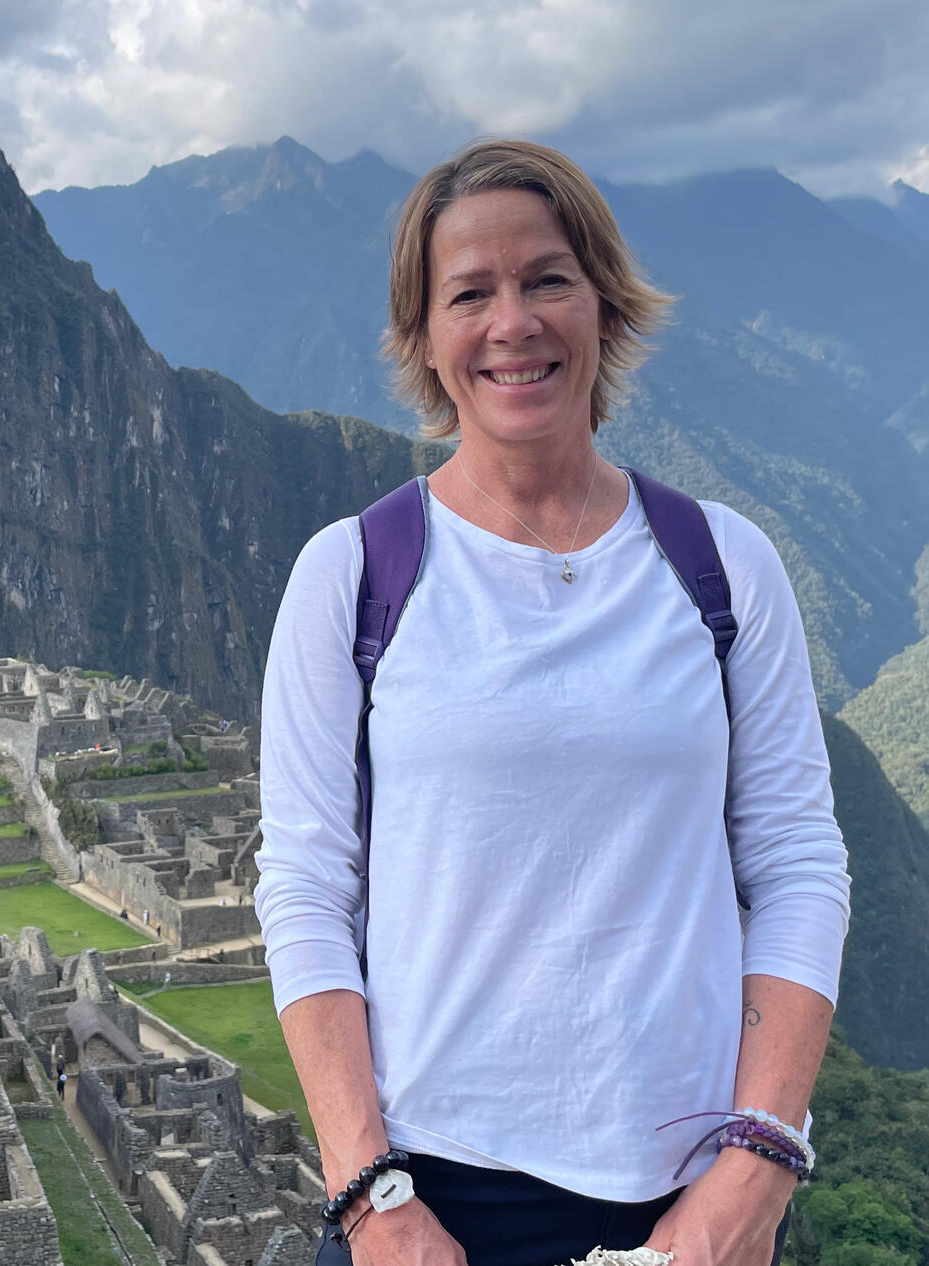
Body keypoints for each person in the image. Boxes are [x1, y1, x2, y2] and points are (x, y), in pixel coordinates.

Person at [254, 139, 849, 1266]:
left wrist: (757, 1164)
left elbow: (793, 860)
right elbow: (303, 885)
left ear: (603, 306)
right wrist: (370, 1199)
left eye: (545, 280)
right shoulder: (353, 575)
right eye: (467, 294)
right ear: (424, 341)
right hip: (431, 1194)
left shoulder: (719, 565)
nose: (510, 322)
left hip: (690, 1195)